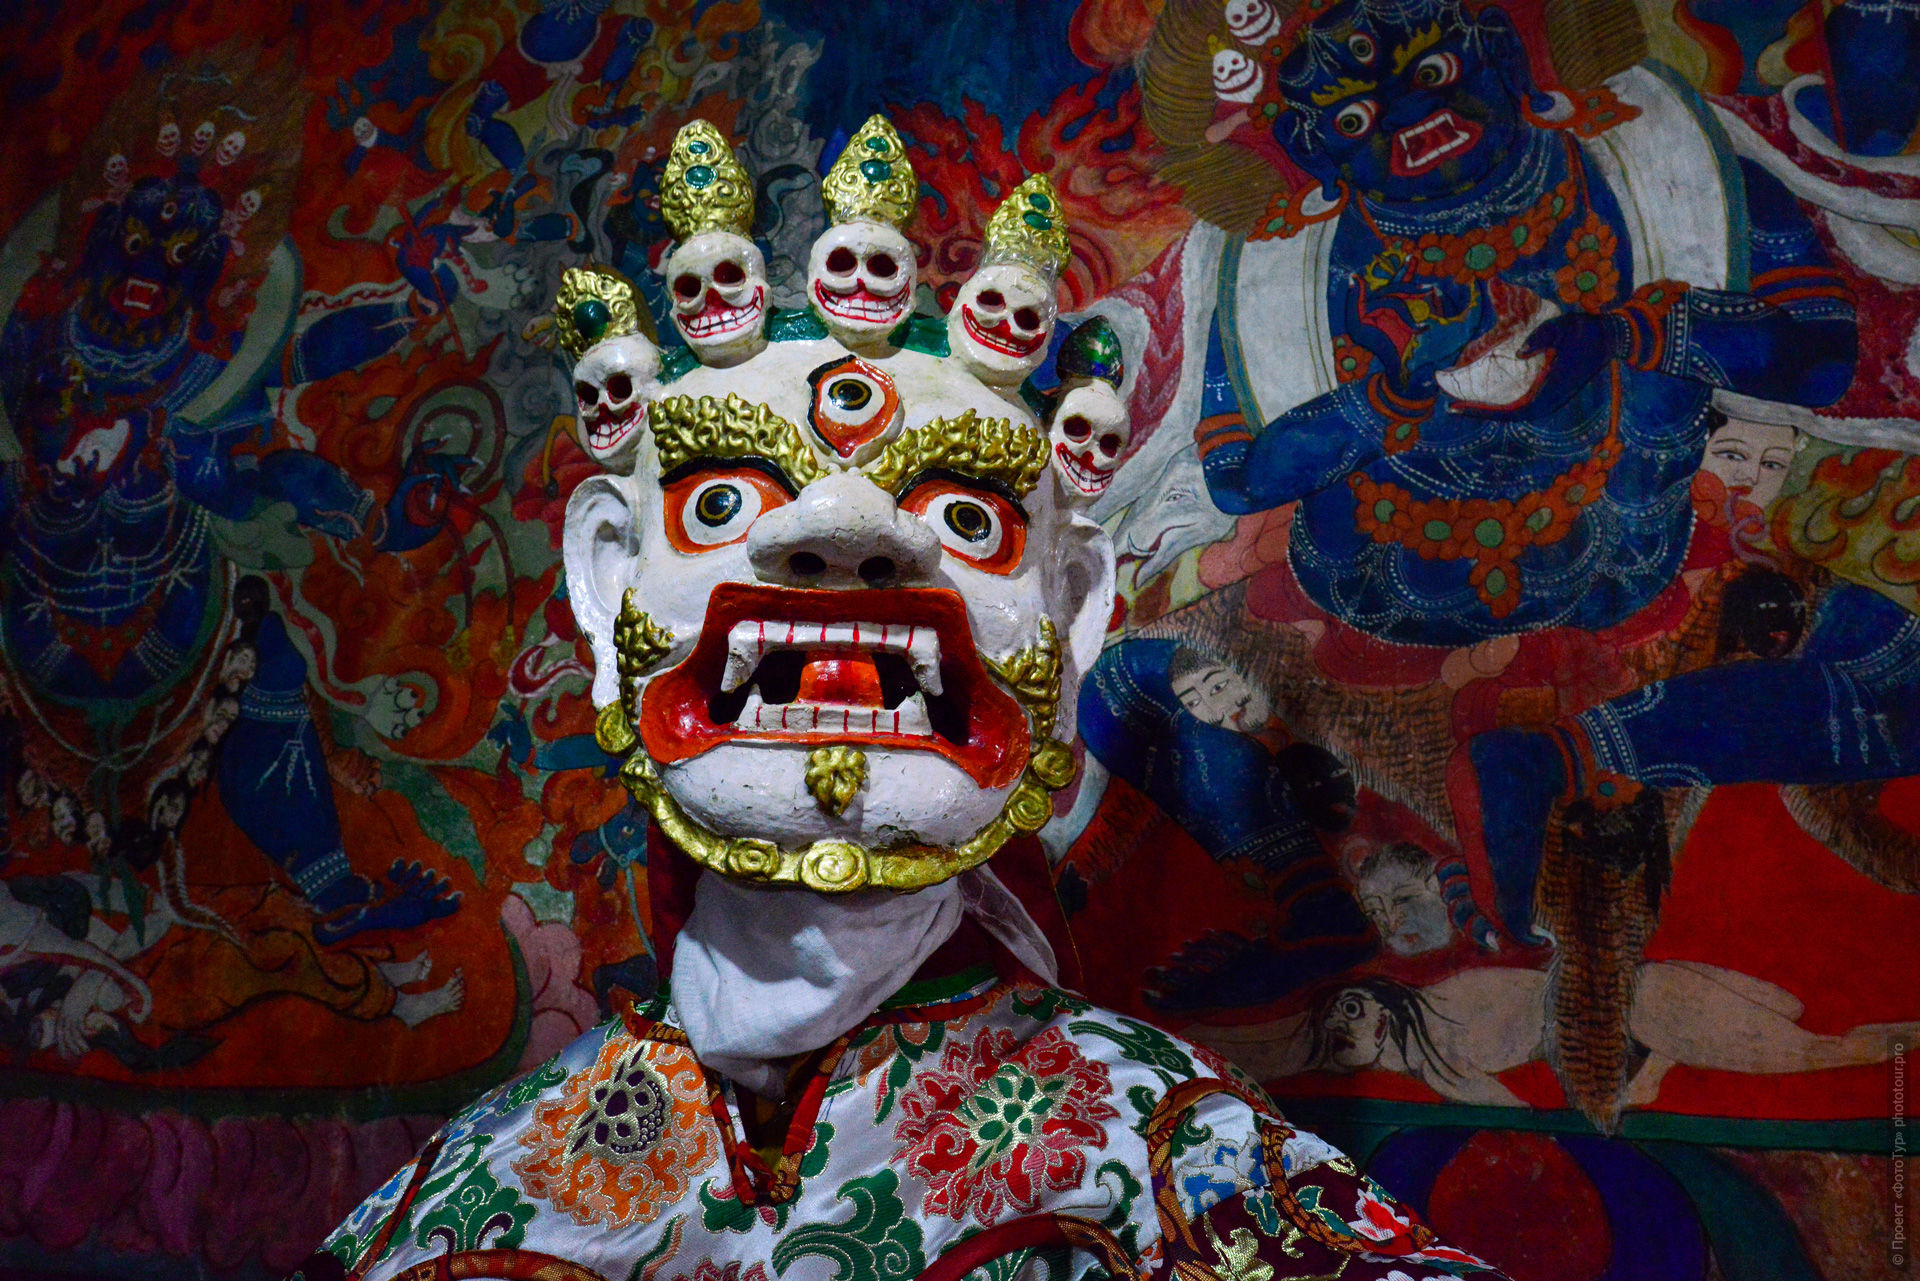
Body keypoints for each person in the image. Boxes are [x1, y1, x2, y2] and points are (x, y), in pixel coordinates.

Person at [297, 119, 1509, 1281]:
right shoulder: (487, 1183)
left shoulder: (1155, 1158)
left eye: (966, 520)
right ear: (611, 587)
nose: (844, 531)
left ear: (1071, 616)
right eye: (719, 503)